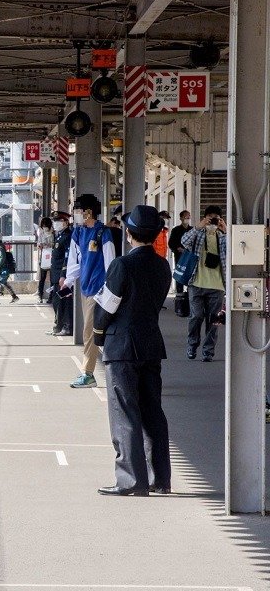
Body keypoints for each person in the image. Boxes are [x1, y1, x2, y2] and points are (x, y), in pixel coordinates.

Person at [92, 205, 172, 496]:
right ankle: (161, 478)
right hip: (151, 344)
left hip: (122, 347)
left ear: (128, 234)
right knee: (153, 412)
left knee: (124, 412)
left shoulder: (122, 265)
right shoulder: (163, 265)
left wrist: (99, 334)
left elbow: (106, 307)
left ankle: (131, 480)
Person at [59, 193, 115, 388]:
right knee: (92, 331)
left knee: (90, 331)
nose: (75, 215)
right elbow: (74, 261)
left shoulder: (103, 233)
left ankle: (88, 373)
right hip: (85, 289)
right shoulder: (78, 232)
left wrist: (111, 288)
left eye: (77, 211)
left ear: (88, 212)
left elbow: (110, 264)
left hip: (101, 290)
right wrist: (67, 281)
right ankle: (104, 370)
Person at [179, 204, 227, 362]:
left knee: (213, 321)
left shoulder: (222, 236)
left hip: (217, 285)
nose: (213, 221)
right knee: (196, 316)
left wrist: (225, 230)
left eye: (216, 218)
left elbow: (233, 251)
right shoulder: (198, 234)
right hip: (196, 283)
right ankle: (192, 344)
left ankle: (208, 351)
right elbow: (183, 241)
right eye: (210, 217)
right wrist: (198, 227)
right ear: (205, 218)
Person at [46, 211, 73, 336]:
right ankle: (58, 325)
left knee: (65, 301)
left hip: (63, 277)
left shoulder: (68, 236)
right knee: (57, 301)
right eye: (54, 221)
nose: (55, 223)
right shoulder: (59, 236)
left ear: (66, 222)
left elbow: (67, 257)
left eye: (58, 221)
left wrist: (63, 274)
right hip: (56, 276)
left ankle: (67, 326)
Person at [168, 209, 191, 295]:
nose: (187, 218)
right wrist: (178, 248)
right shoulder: (176, 230)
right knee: (180, 275)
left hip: (190, 256)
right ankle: (179, 294)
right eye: (185, 217)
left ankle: (190, 293)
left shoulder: (192, 230)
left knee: (190, 274)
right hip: (179, 256)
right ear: (181, 218)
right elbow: (171, 243)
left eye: (188, 217)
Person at [36, 216, 54, 302]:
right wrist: (40, 245)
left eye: (45, 225)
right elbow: (38, 244)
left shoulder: (53, 233)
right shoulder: (41, 234)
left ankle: (51, 296)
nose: (44, 227)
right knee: (42, 278)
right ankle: (40, 295)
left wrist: (48, 245)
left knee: (52, 278)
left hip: (52, 257)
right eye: (43, 226)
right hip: (43, 257)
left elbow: (54, 244)